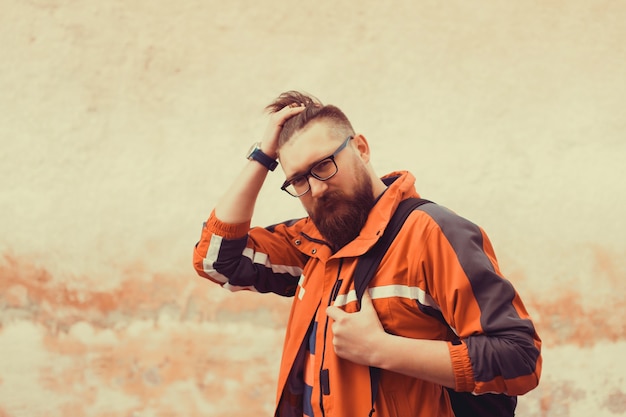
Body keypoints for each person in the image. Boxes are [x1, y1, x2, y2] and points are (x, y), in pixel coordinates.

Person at [193, 91, 542, 416]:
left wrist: (382, 350)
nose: (316, 188)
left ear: (361, 148)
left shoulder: (432, 232)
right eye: (298, 180)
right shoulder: (311, 244)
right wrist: (262, 157)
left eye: (324, 164)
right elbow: (216, 261)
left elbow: (519, 359)